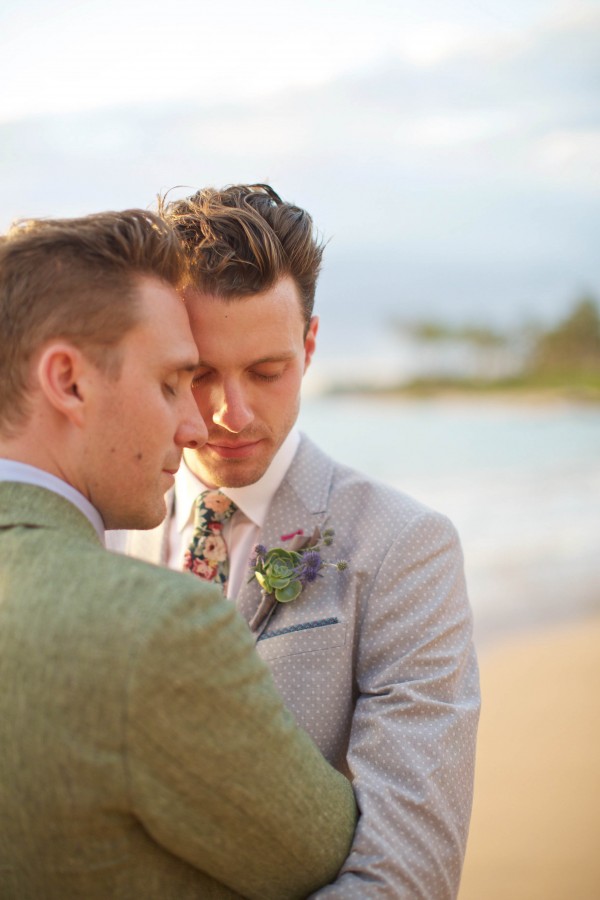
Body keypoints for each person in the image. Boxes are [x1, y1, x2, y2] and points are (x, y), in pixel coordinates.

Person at [111, 184, 481, 898]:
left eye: (267, 371)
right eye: (199, 374)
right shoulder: (97, 531)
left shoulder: (407, 548)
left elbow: (408, 871)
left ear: (309, 347)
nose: (231, 412)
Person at [0, 209, 357, 900]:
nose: (199, 424)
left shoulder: (399, 537)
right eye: (174, 383)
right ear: (69, 382)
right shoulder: (156, 629)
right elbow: (319, 855)